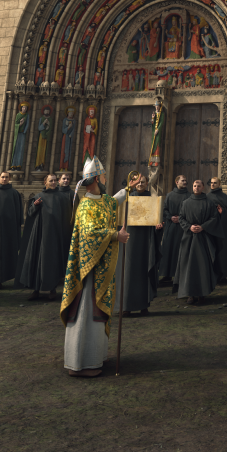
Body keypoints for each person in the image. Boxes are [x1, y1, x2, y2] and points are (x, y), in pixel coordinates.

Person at [60, 157, 128, 377]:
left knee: (93, 313)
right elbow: (89, 233)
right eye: (104, 175)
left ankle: (92, 359)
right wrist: (115, 234)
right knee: (86, 312)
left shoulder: (102, 200)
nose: (106, 178)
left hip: (98, 266)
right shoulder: (87, 204)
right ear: (98, 178)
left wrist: (130, 187)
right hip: (88, 271)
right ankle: (81, 363)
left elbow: (114, 201)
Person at [17, 173, 72, 301]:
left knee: (52, 261)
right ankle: (36, 289)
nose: (53, 183)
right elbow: (30, 213)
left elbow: (67, 217)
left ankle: (52, 289)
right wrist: (35, 206)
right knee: (37, 260)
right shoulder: (39, 197)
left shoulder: (62, 197)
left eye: (54, 181)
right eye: (50, 181)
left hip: (55, 235)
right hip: (40, 234)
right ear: (45, 182)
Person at [114, 172, 162, 316]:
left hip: (145, 238)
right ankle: (126, 306)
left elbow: (156, 219)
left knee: (143, 269)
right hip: (129, 238)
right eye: (138, 182)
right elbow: (118, 215)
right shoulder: (127, 197)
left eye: (143, 182)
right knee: (127, 271)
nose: (140, 184)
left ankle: (143, 305)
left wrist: (158, 226)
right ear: (133, 183)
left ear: (147, 184)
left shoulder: (153, 199)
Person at [175, 179, 221, 305]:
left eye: (198, 186)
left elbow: (214, 217)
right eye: (194, 185)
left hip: (203, 239)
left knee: (202, 266)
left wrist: (203, 227)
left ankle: (202, 293)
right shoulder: (185, 203)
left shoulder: (209, 203)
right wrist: (189, 227)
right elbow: (181, 217)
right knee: (188, 266)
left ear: (203, 188)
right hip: (189, 239)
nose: (196, 187)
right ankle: (190, 294)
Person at [0, 171, 24, 289]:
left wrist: (17, 227)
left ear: (9, 179)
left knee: (6, 253)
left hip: (9, 229)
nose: (4, 179)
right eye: (2, 177)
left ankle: (1, 279)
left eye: (6, 177)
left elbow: (18, 212)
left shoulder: (14, 193)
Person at [207, 176, 227, 284]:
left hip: (223, 230)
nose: (212, 184)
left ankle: (222, 275)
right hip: (211, 230)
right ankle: (212, 275)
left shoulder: (224, 198)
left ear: (219, 184)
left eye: (215, 183)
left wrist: (223, 213)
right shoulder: (207, 197)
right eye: (211, 183)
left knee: (222, 253)